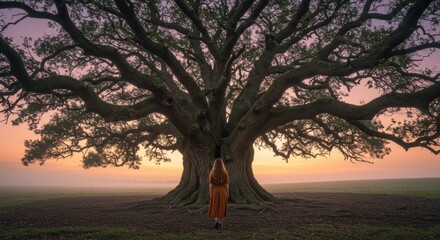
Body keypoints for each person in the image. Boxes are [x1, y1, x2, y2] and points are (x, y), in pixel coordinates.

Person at [208, 158, 229, 229]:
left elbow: (211, 184)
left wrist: (210, 192)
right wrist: (227, 192)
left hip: (215, 190)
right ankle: (220, 222)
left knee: (216, 206)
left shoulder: (212, 172)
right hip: (223, 190)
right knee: (222, 206)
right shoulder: (225, 173)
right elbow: (226, 184)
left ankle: (217, 221)